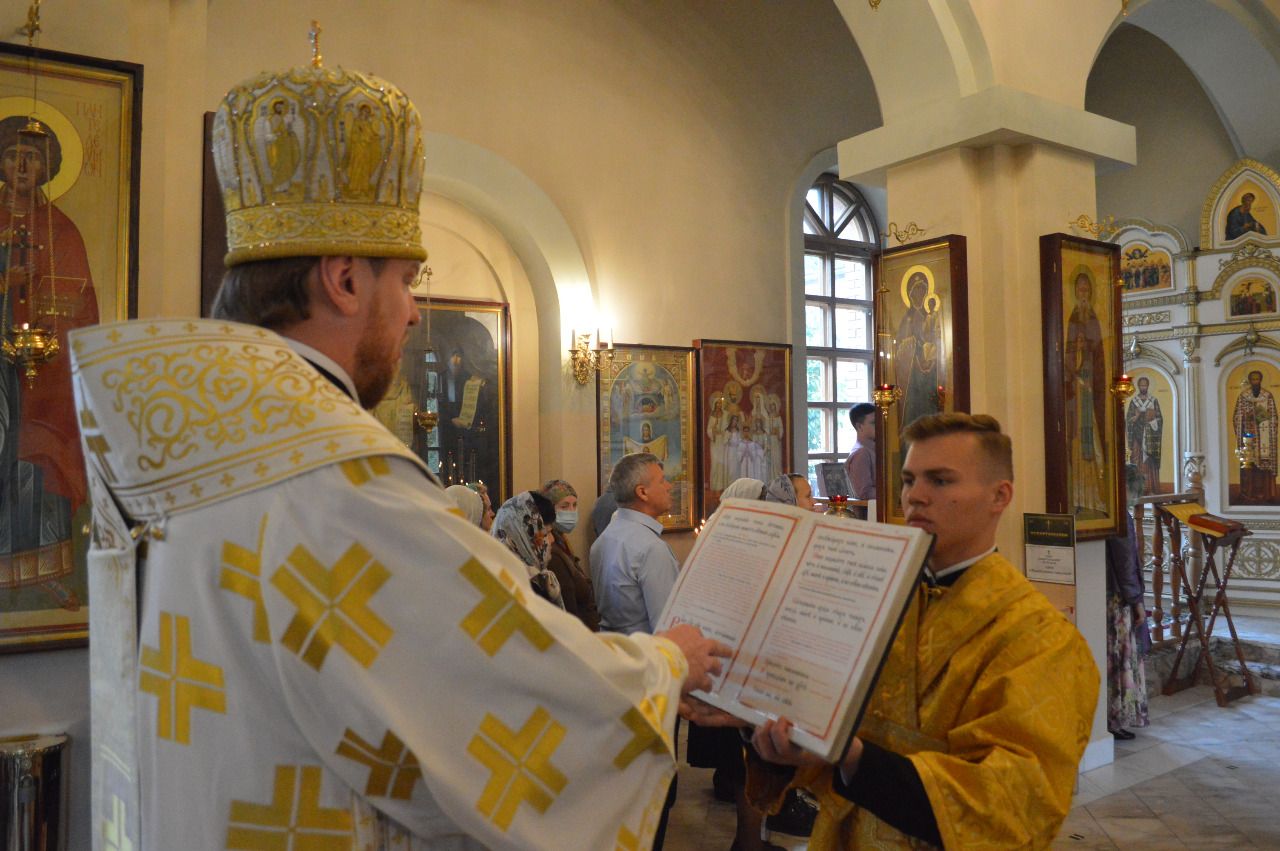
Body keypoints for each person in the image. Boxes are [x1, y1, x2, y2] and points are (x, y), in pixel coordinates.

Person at [71, 58, 729, 850]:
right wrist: (663, 666)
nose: (415, 312)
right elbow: (498, 692)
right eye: (408, 281)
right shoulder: (333, 479)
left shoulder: (184, 447)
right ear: (346, 280)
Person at [748, 413, 1099, 849]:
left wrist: (854, 758)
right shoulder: (876, 602)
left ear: (999, 496)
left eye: (940, 480)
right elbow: (819, 734)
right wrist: (760, 724)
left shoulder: (1041, 638)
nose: (915, 496)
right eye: (909, 480)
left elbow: (1016, 803)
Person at [0, 115, 98, 609]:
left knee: (40, 458)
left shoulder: (62, 230)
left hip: (46, 374)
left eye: (32, 158)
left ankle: (46, 572)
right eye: (13, 155)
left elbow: (82, 307)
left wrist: (51, 328)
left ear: (47, 168)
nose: (22, 166)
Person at [591, 452, 679, 636]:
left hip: (614, 646)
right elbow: (666, 628)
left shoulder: (605, 538)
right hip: (644, 650)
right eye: (662, 481)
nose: (669, 486)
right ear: (642, 492)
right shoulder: (651, 548)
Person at [1105, 465, 1150, 741]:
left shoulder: (1104, 511)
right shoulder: (1120, 517)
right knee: (1120, 657)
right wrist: (1136, 600)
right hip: (1118, 598)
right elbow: (1125, 563)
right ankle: (1116, 717)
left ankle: (1112, 717)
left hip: (1108, 592)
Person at [1065, 268, 1109, 517]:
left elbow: (1100, 356)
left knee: (1091, 440)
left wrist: (1090, 375)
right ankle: (1079, 498)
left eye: (1086, 289)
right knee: (1077, 441)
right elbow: (1068, 358)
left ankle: (1096, 498)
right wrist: (1075, 373)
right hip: (1076, 398)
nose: (1083, 293)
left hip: (1091, 396)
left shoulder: (1094, 318)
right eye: (1079, 289)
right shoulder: (1072, 318)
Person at [539, 478, 601, 631]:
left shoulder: (562, 541)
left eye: (574, 505)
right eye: (564, 506)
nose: (571, 511)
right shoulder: (551, 551)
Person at [492, 491, 564, 608]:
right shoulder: (523, 586)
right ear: (524, 538)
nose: (552, 540)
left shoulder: (535, 577)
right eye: (546, 534)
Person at [1233, 369, 1279, 501]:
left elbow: (1274, 417)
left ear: (1261, 380)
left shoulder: (1267, 396)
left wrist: (1261, 416)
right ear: (1249, 381)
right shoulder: (1243, 396)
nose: (1255, 382)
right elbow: (1237, 417)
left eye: (1257, 379)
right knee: (1249, 465)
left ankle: (1267, 494)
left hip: (1265, 438)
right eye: (1252, 379)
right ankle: (1248, 493)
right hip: (1249, 437)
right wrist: (1246, 417)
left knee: (1264, 465)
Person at [1125, 376, 1163, 495]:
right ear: (1138, 386)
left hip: (1149, 438)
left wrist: (1152, 419)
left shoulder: (1153, 401)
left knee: (1149, 462)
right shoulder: (1134, 402)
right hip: (1136, 437)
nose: (1143, 387)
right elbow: (1128, 420)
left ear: (1148, 386)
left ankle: (1151, 488)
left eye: (1145, 385)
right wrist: (1136, 417)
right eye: (1141, 385)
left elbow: (1160, 419)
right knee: (1136, 461)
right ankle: (1137, 489)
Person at [843, 402, 877, 501]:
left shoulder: (871, 450)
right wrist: (894, 492)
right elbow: (864, 493)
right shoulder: (862, 453)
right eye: (874, 423)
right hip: (868, 510)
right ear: (859, 426)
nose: (880, 426)